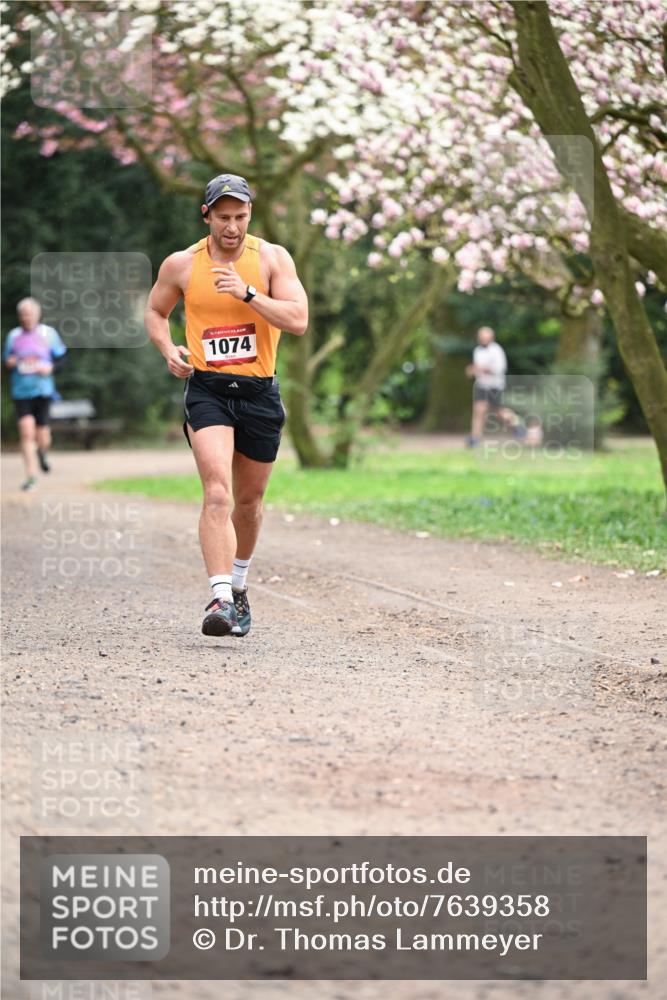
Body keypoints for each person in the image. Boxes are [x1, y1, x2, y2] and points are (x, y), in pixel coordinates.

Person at [145, 173, 308, 638]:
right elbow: (155, 311)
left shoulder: (272, 259)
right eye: (223, 217)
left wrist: (249, 294)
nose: (232, 226)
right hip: (208, 389)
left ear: (250, 214)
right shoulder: (182, 264)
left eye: (240, 216)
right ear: (207, 216)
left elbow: (298, 320)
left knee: (250, 502)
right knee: (217, 492)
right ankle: (218, 597)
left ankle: (238, 588)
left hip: (259, 392)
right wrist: (168, 348)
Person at [3, 297, 67, 491]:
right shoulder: (13, 336)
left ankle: (42, 452)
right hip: (21, 391)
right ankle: (31, 476)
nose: (25, 317)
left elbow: (62, 359)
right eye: (22, 314)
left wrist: (50, 368)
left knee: (43, 436)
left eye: (29, 313)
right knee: (26, 431)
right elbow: (6, 361)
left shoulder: (49, 334)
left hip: (43, 391)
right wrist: (10, 363)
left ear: (37, 314)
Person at [465, 326, 522, 446]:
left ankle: (517, 424)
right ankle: (475, 437)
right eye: (481, 337)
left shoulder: (497, 350)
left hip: (495, 385)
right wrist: (472, 370)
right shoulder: (477, 350)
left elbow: (500, 369)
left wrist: (484, 368)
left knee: (499, 412)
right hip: (482, 385)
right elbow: (477, 367)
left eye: (485, 337)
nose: (483, 340)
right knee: (479, 410)